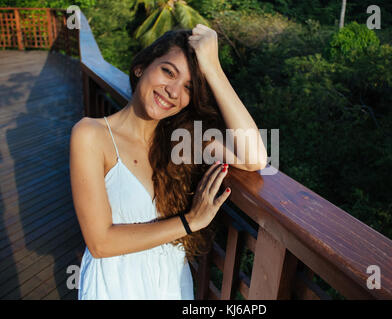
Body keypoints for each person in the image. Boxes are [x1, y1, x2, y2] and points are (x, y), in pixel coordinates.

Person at [69, 24, 267, 300]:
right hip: (115, 284)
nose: (173, 91)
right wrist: (190, 221)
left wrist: (213, 69)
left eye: (188, 87)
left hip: (171, 284)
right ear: (141, 67)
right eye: (168, 72)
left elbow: (255, 157)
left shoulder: (183, 140)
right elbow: (101, 243)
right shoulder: (91, 134)